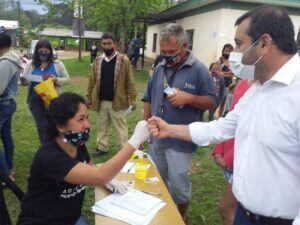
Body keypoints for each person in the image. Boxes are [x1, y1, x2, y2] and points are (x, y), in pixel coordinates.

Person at [148, 5, 300, 225]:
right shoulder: (258, 89)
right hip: (244, 213)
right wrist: (170, 129)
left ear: (264, 44)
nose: (232, 54)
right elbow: (220, 128)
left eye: (238, 44)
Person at [17, 92, 150, 225]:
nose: (87, 124)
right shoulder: (50, 157)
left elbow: (91, 168)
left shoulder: (77, 145)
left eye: (87, 117)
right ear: (60, 126)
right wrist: (135, 140)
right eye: (80, 119)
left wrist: (108, 181)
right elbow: (100, 175)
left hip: (70, 218)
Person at [142, 23, 217, 224]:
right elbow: (148, 98)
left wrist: (189, 98)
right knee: (157, 179)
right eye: (163, 51)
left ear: (184, 45)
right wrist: (143, 128)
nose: (167, 56)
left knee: (178, 184)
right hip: (157, 137)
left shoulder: (199, 69)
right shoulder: (159, 67)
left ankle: (182, 215)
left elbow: (212, 101)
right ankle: (162, 213)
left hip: (181, 140)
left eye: (172, 51)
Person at [87, 32, 137, 156]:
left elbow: (129, 81)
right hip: (101, 101)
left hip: (117, 101)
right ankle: (102, 147)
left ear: (115, 44)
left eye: (109, 43)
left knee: (120, 127)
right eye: (104, 43)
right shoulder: (98, 61)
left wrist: (133, 98)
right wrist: (89, 96)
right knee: (101, 126)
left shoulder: (123, 60)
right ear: (101, 45)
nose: (107, 46)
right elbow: (92, 80)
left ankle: (124, 150)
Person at [212, 79, 252, 225]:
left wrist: (230, 157)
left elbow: (253, 133)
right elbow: (231, 119)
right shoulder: (243, 83)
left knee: (227, 208)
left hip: (245, 161)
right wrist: (219, 147)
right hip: (233, 158)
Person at [22, 39, 70, 144]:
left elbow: (67, 80)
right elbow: (25, 82)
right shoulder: (31, 65)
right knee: (41, 127)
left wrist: (56, 79)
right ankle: (45, 149)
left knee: (55, 125)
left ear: (50, 52)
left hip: (52, 100)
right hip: (35, 101)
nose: (43, 54)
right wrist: (23, 80)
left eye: (46, 52)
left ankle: (58, 147)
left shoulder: (58, 64)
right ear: (36, 52)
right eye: (41, 52)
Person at [0, 32, 22, 180]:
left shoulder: (5, 62)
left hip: (3, 105)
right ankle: (9, 167)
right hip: (6, 104)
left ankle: (6, 174)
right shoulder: (9, 59)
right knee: (6, 136)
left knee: (6, 137)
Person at [217, 43, 234, 117]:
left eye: (230, 51)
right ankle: (213, 116)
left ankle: (219, 118)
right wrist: (228, 73)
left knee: (224, 103)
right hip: (221, 84)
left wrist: (223, 73)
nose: (228, 53)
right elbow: (218, 72)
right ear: (223, 50)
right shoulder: (219, 61)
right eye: (226, 51)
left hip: (229, 84)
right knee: (219, 101)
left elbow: (233, 73)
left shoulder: (231, 62)